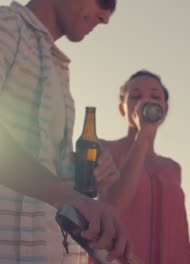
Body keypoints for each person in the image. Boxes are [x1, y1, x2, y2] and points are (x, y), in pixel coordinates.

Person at [0, 0, 132, 263]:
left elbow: (41, 171)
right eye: (104, 2)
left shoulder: (58, 68)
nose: (106, 18)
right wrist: (67, 195)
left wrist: (85, 172)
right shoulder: (7, 25)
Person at [98, 70, 190, 264]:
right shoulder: (105, 149)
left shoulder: (173, 168)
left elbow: (179, 240)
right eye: (136, 96)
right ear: (122, 108)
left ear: (165, 109)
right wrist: (143, 135)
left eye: (155, 96)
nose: (146, 101)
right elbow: (112, 207)